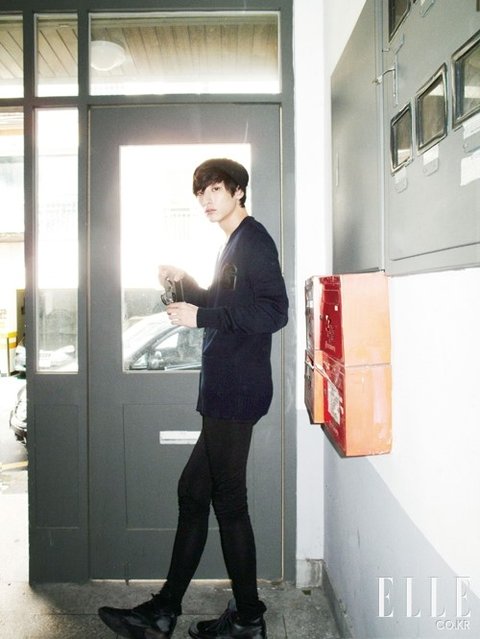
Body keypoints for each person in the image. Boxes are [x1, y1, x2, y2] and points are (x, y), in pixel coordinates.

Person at [98, 158, 289, 639]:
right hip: (224, 390)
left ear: (239, 191)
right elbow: (225, 304)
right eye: (201, 192)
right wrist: (185, 282)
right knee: (193, 492)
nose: (206, 199)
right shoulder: (231, 244)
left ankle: (247, 619)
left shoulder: (254, 240)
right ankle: (165, 611)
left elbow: (274, 312)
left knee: (229, 501)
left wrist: (201, 318)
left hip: (237, 391)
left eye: (216, 189)